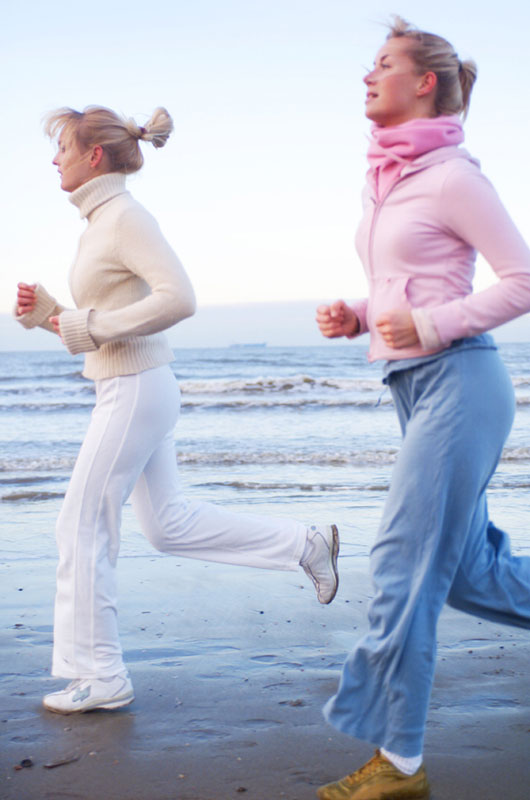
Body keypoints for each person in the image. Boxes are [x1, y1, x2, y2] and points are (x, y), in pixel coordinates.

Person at [15, 104, 339, 716]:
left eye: (61, 147)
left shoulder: (124, 217)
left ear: (94, 156)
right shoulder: (100, 223)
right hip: (136, 384)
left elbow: (179, 298)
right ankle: (305, 545)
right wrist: (52, 315)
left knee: (80, 526)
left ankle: (101, 675)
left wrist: (88, 323)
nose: (52, 158)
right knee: (168, 526)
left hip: (136, 387)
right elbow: (107, 322)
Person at [315, 16, 530, 800]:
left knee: (402, 568)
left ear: (424, 82)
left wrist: (431, 324)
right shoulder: (391, 180)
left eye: (382, 64)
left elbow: (521, 279)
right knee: (474, 576)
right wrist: (364, 315)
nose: (366, 77)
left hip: (462, 383)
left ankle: (399, 761)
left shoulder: (453, 175)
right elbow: (416, 287)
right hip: (415, 386)